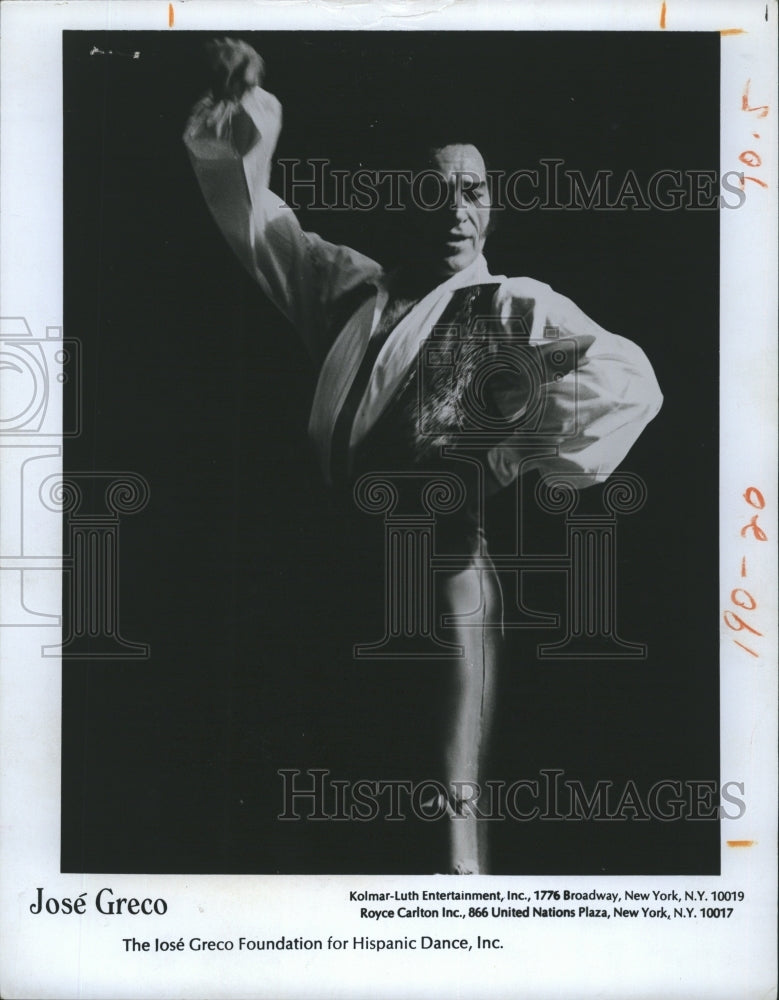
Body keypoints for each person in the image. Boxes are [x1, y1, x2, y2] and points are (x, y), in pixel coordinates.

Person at [183, 38, 663, 874]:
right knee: (339, 809)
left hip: (442, 584)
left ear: (492, 205)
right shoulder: (347, 290)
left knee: (444, 812)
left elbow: (628, 379)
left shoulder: (511, 307)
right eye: (433, 192)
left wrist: (505, 455)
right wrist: (239, 124)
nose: (455, 212)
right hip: (334, 585)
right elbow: (260, 224)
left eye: (473, 193)